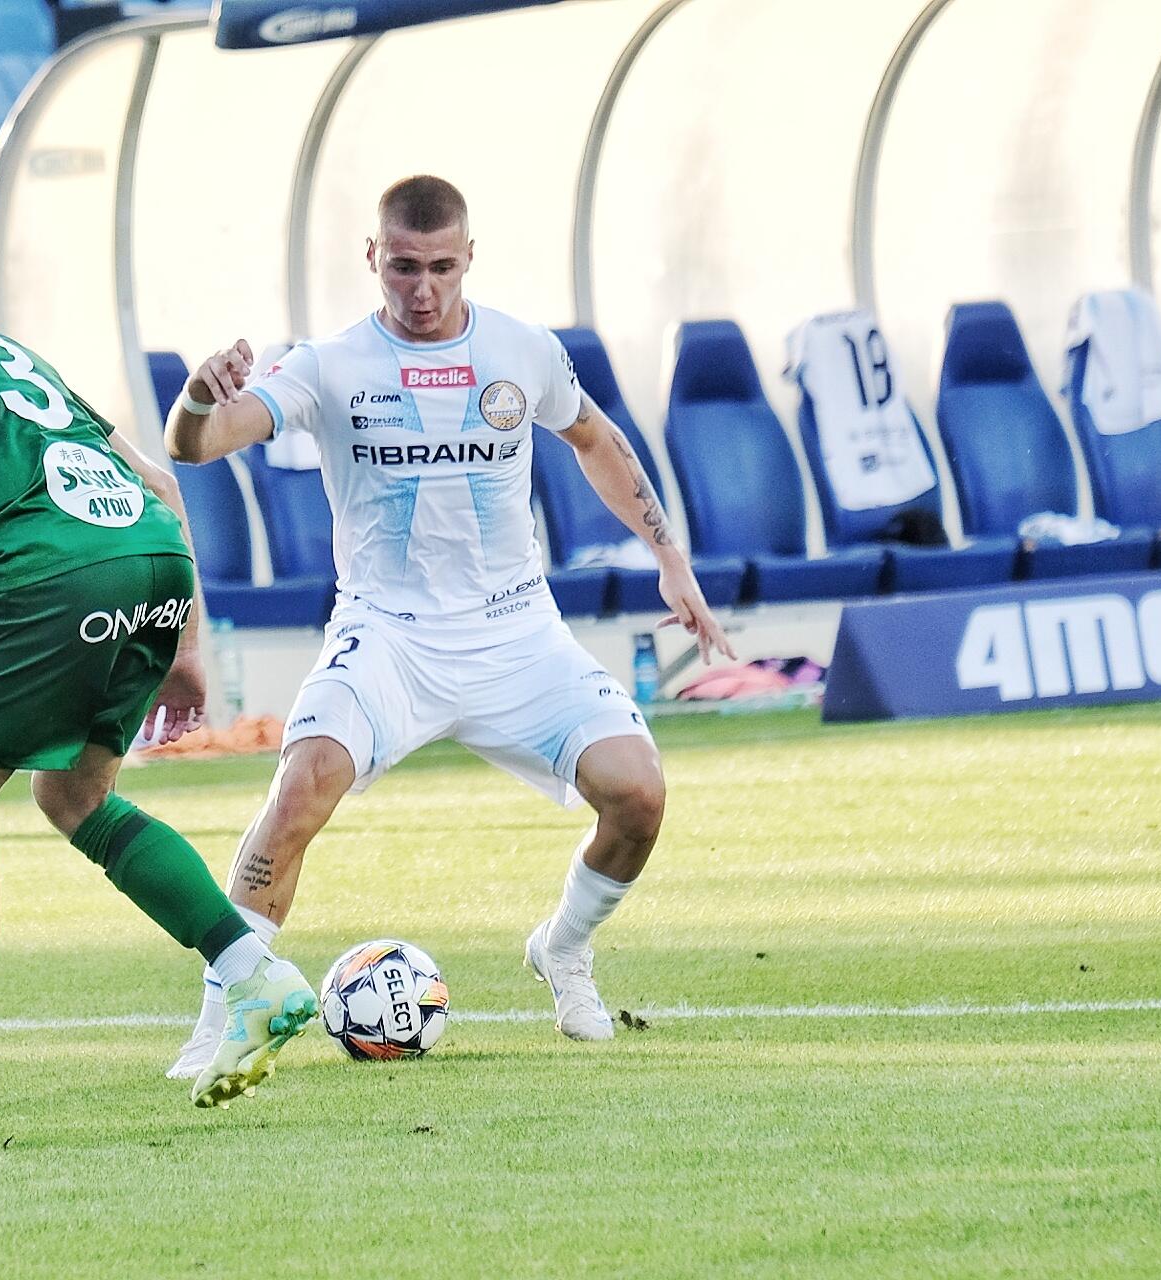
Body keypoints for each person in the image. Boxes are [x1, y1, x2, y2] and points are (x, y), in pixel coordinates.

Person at [162, 176, 735, 1076]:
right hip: (387, 635)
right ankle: (222, 1017)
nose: (422, 289)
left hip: (515, 632)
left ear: (470, 256)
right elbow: (193, 445)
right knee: (300, 789)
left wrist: (670, 557)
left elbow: (595, 438)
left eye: (439, 267)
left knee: (640, 794)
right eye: (403, 267)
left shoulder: (521, 350)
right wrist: (198, 397)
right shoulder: (331, 364)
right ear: (372, 258)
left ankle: (564, 948)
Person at [0, 215, 317, 1132]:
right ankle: (252, 972)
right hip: (154, 555)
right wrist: (188, 649)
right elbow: (160, 483)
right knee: (74, 796)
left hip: (56, 569)